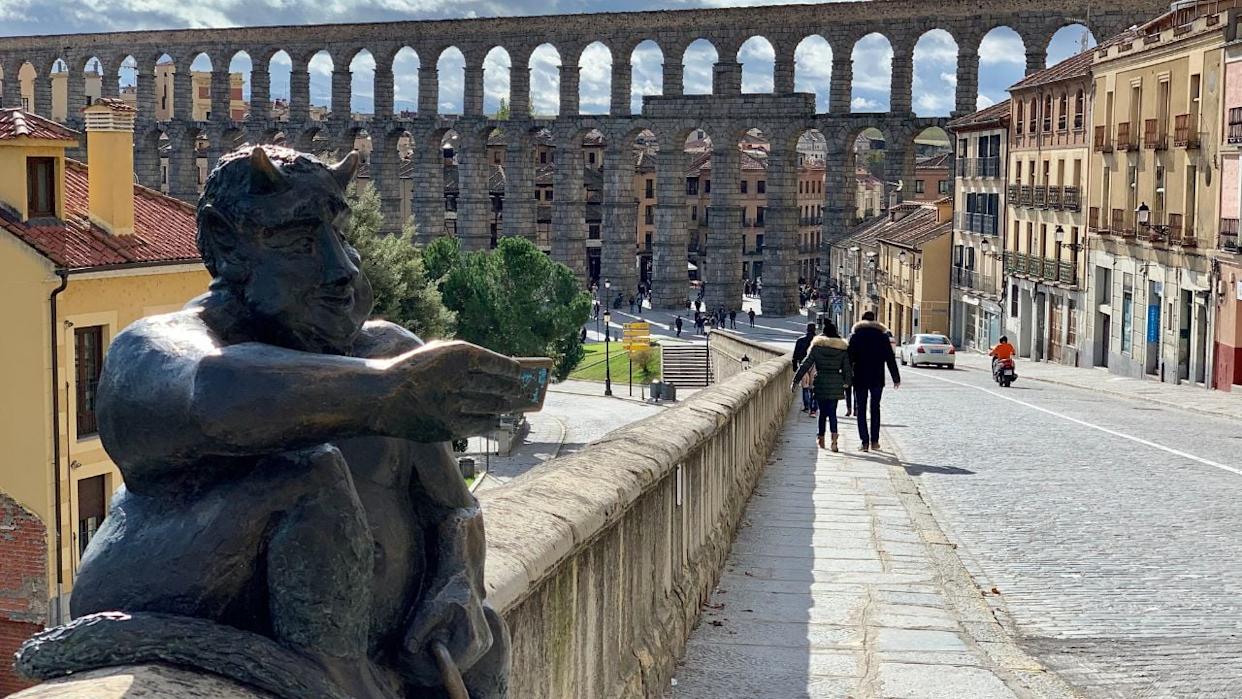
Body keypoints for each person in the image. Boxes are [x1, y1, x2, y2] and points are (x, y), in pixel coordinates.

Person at [792, 322, 853, 452]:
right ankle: (834, 439)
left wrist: (796, 380)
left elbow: (805, 364)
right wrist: (847, 382)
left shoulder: (817, 347)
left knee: (822, 413)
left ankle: (821, 438)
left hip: (820, 382)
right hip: (836, 382)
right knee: (832, 413)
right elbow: (847, 369)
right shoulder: (842, 349)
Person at [848, 311, 900, 453]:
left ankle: (864, 442)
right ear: (875, 321)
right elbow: (890, 358)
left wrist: (846, 377)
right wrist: (896, 378)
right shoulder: (882, 337)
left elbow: (849, 359)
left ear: (862, 320)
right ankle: (875, 441)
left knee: (861, 409)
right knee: (875, 408)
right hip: (877, 378)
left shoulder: (855, 336)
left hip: (860, 377)